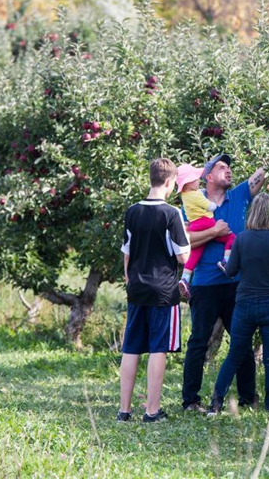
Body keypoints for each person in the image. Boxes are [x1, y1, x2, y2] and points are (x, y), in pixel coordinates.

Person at [181, 112, 269, 412]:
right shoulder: (192, 205)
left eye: (230, 167)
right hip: (205, 284)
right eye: (222, 167)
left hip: (236, 284)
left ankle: (247, 398)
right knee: (198, 341)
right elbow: (181, 244)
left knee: (242, 345)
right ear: (207, 176)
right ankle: (190, 399)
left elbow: (265, 168)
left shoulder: (240, 196)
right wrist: (213, 232)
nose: (228, 170)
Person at [207, 193, 269, 415]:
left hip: (245, 304)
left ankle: (216, 403)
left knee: (234, 355)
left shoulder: (242, 238)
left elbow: (231, 271)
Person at [118, 157, 191, 423]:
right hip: (163, 291)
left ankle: (124, 410)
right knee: (158, 347)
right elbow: (183, 256)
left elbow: (127, 253)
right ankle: (151, 410)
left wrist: (129, 279)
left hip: (136, 287)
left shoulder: (132, 211)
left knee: (131, 347)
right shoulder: (171, 214)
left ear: (151, 178)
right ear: (170, 182)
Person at [175, 163, 235, 299]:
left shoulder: (185, 196)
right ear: (189, 183)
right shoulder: (196, 195)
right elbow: (210, 206)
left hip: (194, 225)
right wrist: (212, 206)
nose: (198, 181)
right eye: (196, 179)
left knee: (195, 255)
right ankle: (226, 260)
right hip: (206, 222)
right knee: (231, 238)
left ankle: (185, 278)